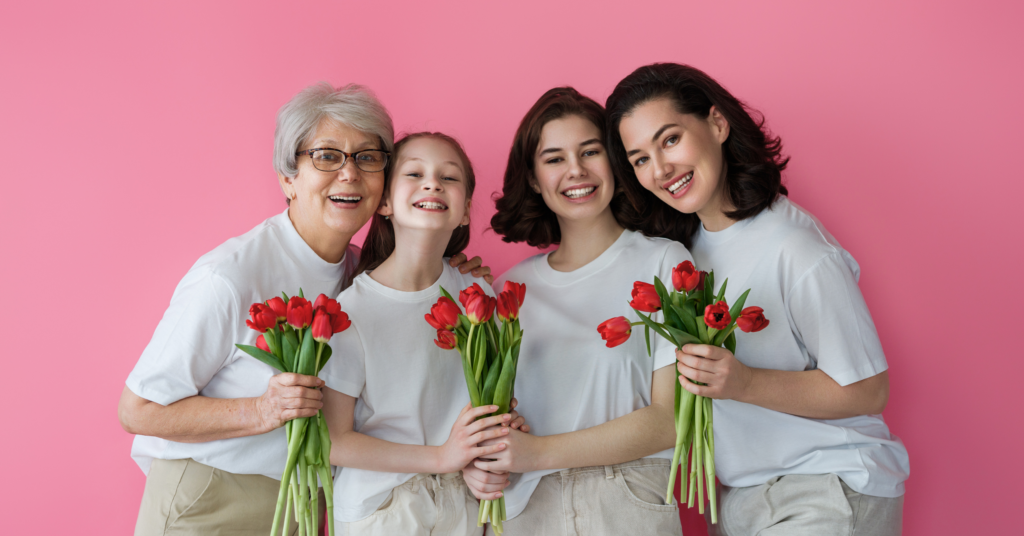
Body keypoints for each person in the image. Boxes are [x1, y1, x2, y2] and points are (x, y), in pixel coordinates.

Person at [118, 84, 490, 536]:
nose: (349, 174)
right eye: (327, 156)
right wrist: (261, 410)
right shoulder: (230, 277)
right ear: (288, 177)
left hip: (306, 505)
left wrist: (447, 270)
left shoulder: (358, 274)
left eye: (367, 157)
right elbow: (137, 410)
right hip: (213, 498)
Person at [606, 63, 910, 535]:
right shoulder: (682, 253)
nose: (661, 169)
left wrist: (743, 382)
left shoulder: (796, 248)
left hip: (825, 487)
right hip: (741, 502)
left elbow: (869, 389)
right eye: (640, 159)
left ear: (718, 123)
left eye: (669, 139)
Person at [463, 87, 688, 536]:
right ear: (532, 178)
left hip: (626, 500)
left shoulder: (665, 263)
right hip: (525, 509)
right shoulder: (509, 289)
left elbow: (669, 421)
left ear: (615, 161)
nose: (576, 171)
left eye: (590, 151)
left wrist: (538, 453)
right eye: (554, 159)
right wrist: (479, 465)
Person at [319, 132, 525, 536]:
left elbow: (489, 403)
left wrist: (490, 451)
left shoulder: (478, 294)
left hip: (461, 503)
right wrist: (442, 457)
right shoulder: (351, 311)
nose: (432, 184)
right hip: (382, 509)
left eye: (449, 178)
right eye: (414, 173)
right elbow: (333, 441)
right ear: (385, 202)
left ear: (465, 210)